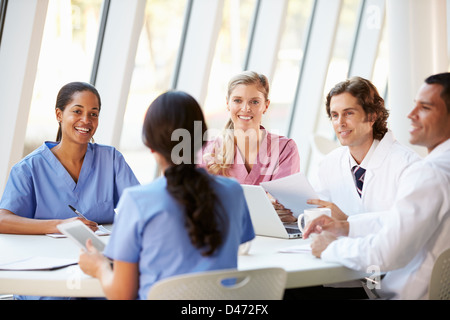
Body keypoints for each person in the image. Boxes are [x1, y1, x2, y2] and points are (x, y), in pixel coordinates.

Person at [78, 90, 255, 300]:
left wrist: (99, 267)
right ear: (202, 139)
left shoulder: (138, 201)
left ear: (150, 145)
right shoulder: (233, 192)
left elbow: (122, 294)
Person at [303, 72, 450, 300]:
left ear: (372, 117)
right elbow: (397, 220)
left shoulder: (426, 172)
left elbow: (386, 253)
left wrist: (330, 248)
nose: (410, 115)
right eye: (334, 115)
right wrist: (346, 225)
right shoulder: (440, 166)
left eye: (426, 107)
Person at [0, 82, 140, 235]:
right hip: (48, 256)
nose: (86, 120)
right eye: (77, 111)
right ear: (59, 115)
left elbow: (140, 205)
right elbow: (3, 221)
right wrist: (61, 225)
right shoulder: (28, 169)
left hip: (101, 252)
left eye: (93, 114)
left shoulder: (111, 159)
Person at [308, 76, 420, 220]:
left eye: (348, 113)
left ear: (372, 116)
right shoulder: (329, 163)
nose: (340, 123)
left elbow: (408, 226)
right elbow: (316, 210)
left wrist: (347, 222)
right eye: (335, 115)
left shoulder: (408, 165)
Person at [201, 71, 300, 222]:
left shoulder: (285, 149)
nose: (246, 108)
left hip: (271, 239)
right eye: (238, 100)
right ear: (227, 103)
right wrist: (265, 204)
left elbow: (286, 211)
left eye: (254, 102)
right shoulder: (208, 150)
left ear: (266, 106)